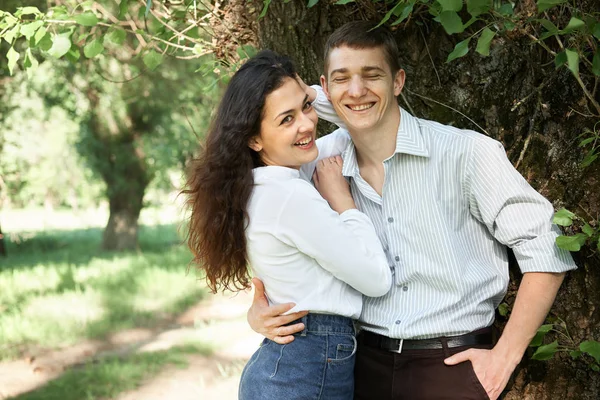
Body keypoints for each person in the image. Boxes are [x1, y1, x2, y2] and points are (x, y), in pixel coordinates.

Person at [247, 21, 577, 400]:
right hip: (358, 370)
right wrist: (259, 310)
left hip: (451, 369)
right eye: (341, 79)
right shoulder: (321, 161)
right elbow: (277, 227)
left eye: (372, 75)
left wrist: (505, 355)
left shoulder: (465, 154)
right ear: (325, 85)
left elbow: (546, 246)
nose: (356, 90)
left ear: (398, 81)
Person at [183, 49, 392, 400]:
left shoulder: (272, 180)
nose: (307, 124)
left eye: (307, 107)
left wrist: (296, 85)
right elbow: (376, 278)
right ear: (254, 138)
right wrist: (343, 202)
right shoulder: (287, 197)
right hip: (304, 369)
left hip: (296, 365)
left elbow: (355, 122)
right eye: (286, 119)